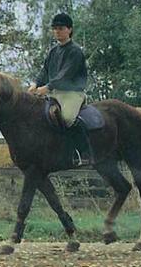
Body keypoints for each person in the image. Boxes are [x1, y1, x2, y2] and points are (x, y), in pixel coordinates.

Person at [28, 12, 93, 166]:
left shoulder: (75, 51)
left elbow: (66, 74)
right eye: (55, 28)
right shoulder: (53, 51)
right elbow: (44, 71)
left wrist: (48, 87)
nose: (57, 31)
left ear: (69, 30)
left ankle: (82, 152)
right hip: (54, 92)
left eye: (61, 28)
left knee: (68, 117)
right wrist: (35, 84)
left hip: (72, 93)